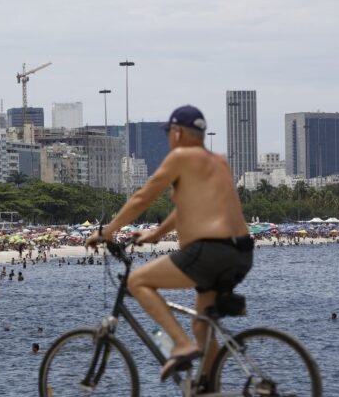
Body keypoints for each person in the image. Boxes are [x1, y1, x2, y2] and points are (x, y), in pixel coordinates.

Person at [88, 105, 253, 384]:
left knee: (137, 282)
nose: (168, 138)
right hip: (241, 253)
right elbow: (186, 209)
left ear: (177, 132)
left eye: (168, 132)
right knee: (201, 323)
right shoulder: (219, 161)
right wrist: (156, 234)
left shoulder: (181, 157)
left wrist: (108, 231)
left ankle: (181, 345)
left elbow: (143, 197)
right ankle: (208, 386)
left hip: (209, 252)